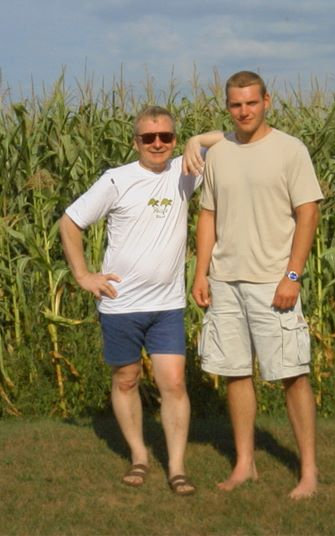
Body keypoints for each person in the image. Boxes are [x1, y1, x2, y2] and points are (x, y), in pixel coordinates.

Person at [59, 105, 221, 496]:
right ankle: (138, 456)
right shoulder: (116, 180)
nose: (158, 143)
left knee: (175, 383)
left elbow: (234, 136)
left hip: (167, 305)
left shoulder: (187, 171)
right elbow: (70, 222)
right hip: (121, 305)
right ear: (136, 142)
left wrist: (197, 140)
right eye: (149, 137)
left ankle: (177, 467)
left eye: (166, 136)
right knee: (127, 380)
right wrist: (83, 275)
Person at [192, 71, 323, 499]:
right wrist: (201, 272)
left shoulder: (290, 150)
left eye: (251, 102)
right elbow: (208, 215)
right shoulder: (220, 154)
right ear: (227, 106)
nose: (244, 111)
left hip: (273, 282)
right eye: (235, 104)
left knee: (292, 375)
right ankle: (245, 463)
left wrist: (292, 275)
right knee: (234, 374)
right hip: (225, 282)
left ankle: (308, 472)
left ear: (267, 100)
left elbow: (308, 213)